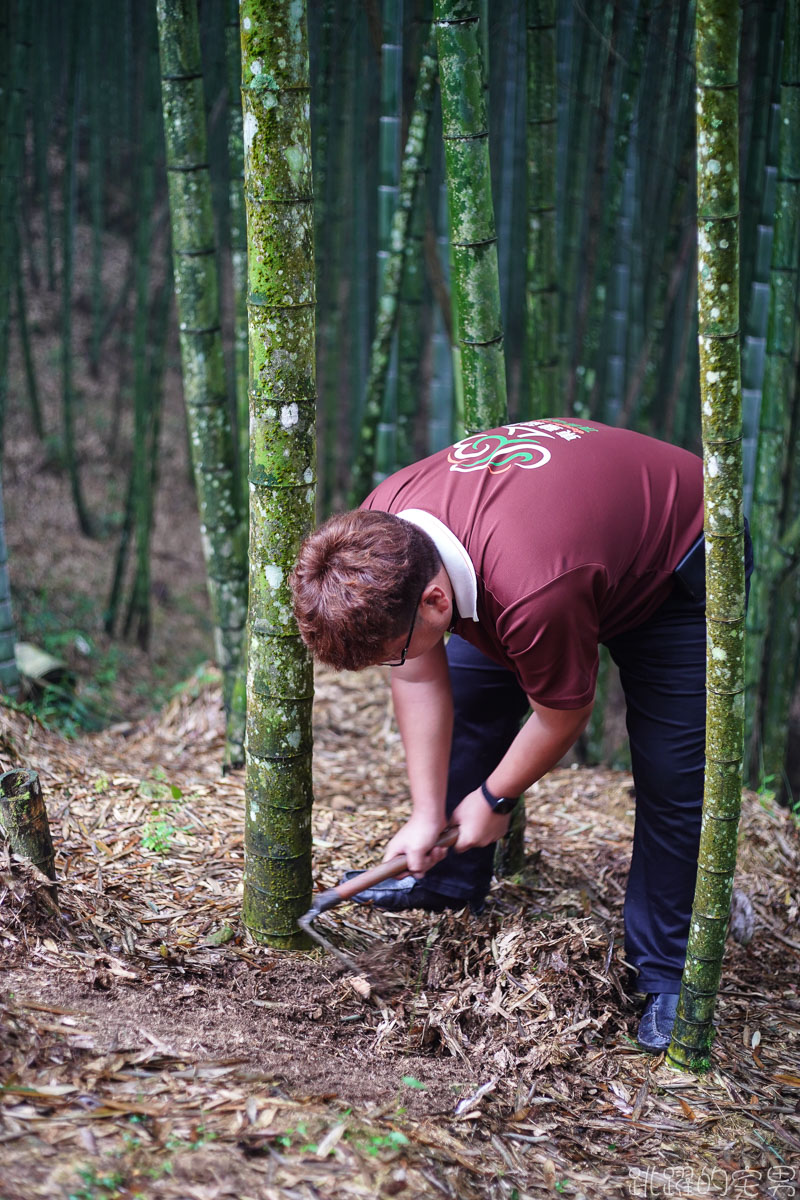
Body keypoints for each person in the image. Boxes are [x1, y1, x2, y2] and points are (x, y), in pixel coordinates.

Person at [290, 418, 753, 1052]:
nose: (396, 665)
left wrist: (495, 798)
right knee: (473, 694)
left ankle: (670, 972)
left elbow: (562, 714)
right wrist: (429, 814)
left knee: (673, 776)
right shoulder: (380, 535)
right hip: (564, 543)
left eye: (392, 653)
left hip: (678, 557)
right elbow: (420, 678)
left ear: (433, 603)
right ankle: (449, 879)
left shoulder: (535, 591)